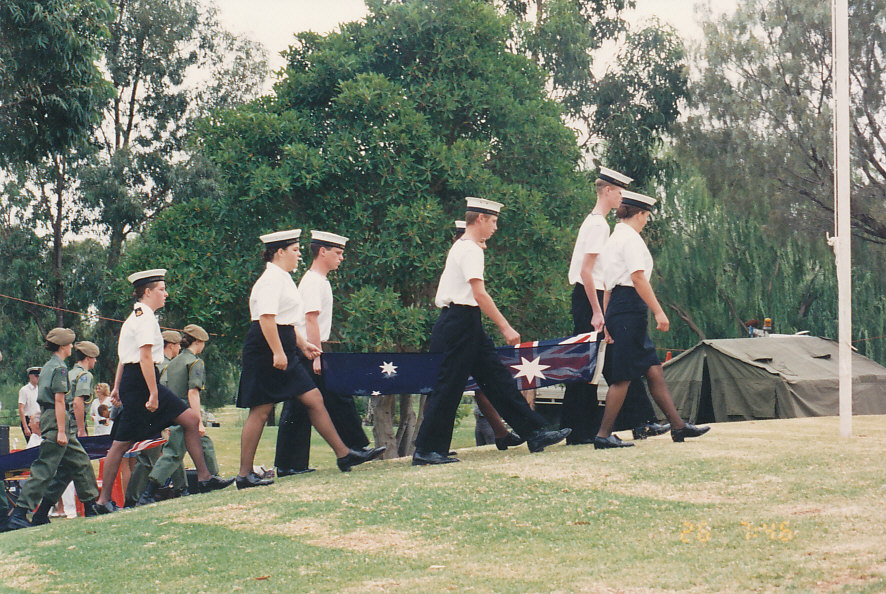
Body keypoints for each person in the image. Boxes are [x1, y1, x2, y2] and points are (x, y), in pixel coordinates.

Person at [412, 197, 571, 465]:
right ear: (481, 219)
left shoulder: (464, 246)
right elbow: (480, 293)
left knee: (497, 379)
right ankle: (427, 450)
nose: (496, 227)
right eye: (494, 221)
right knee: (449, 387)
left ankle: (534, 432)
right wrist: (505, 326)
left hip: (464, 321)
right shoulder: (471, 250)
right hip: (459, 321)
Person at [236, 230, 381, 488]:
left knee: (313, 398)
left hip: (283, 343)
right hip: (266, 347)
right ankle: (244, 474)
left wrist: (303, 345)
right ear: (279, 252)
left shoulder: (284, 278)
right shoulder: (271, 279)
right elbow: (267, 319)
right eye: (294, 250)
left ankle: (343, 455)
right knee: (261, 409)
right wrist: (279, 352)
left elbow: (288, 320)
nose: (299, 254)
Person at [94, 269, 232, 513]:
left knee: (189, 419)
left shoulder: (135, 316)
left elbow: (124, 358)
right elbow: (145, 358)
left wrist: (116, 386)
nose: (166, 294)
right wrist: (153, 393)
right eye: (161, 289)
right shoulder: (144, 318)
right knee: (120, 444)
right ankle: (103, 501)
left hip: (135, 380)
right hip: (141, 383)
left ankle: (204, 478)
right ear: (147, 292)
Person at [594, 191, 710, 448]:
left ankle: (678, 427)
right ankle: (603, 435)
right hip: (630, 308)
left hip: (619, 307)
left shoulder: (614, 238)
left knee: (653, 370)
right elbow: (637, 279)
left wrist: (605, 317)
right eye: (647, 216)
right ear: (640, 214)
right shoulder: (631, 240)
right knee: (623, 376)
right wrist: (658, 311)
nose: (647, 221)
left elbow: (606, 286)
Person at [563, 167, 669, 444]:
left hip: (594, 296)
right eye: (620, 192)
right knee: (599, 363)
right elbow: (587, 272)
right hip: (592, 297)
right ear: (608, 191)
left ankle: (639, 421)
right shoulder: (599, 225)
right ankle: (582, 429)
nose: (622, 198)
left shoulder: (596, 221)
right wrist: (598, 312)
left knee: (614, 363)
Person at [275, 231, 386, 476]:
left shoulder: (319, 280)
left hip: (310, 348)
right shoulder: (314, 281)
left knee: (308, 404)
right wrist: (318, 356)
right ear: (322, 252)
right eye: (337, 253)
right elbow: (310, 319)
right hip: (309, 349)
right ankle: (352, 449)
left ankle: (293, 463)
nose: (341, 258)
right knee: (327, 398)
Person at [7, 328, 101, 530]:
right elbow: (59, 400)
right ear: (62, 346)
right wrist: (60, 431)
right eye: (68, 344)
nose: (70, 348)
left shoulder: (49, 367)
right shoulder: (59, 368)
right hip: (58, 420)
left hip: (55, 418)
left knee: (79, 463)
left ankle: (87, 506)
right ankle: (20, 512)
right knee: (45, 467)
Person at [137, 324, 229, 505]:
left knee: (205, 444)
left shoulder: (174, 362)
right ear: (199, 342)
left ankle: (210, 480)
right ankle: (147, 493)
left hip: (173, 410)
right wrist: (198, 421)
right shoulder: (194, 362)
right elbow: (193, 393)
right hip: (186, 411)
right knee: (173, 453)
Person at [124, 329, 185, 506]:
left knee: (175, 450)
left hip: (152, 413)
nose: (179, 349)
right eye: (178, 345)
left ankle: (182, 488)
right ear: (172, 345)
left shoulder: (156, 364)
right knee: (148, 458)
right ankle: (132, 498)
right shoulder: (167, 366)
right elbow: (164, 392)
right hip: (159, 415)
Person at [18, 367, 41, 440]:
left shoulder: (40, 389)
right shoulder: (24, 390)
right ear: (30, 376)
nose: (38, 378)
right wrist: (25, 427)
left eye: (39, 376)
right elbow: (21, 408)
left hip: (38, 420)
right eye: (36, 376)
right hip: (29, 420)